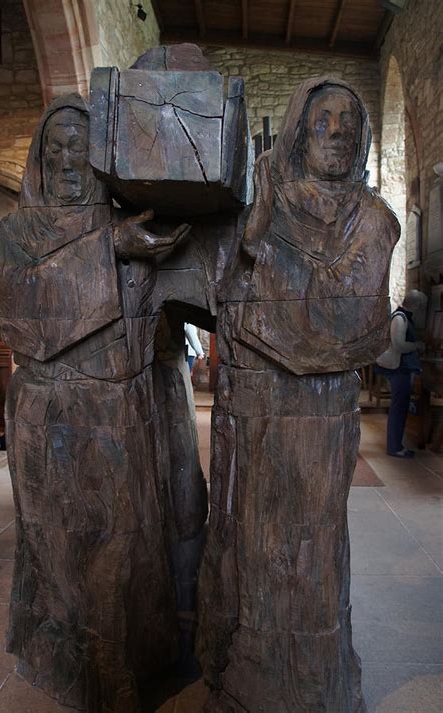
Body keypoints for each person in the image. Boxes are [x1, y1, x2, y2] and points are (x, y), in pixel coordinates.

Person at [196, 78, 399, 713]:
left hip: (320, 414)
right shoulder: (268, 204)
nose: (336, 130)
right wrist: (254, 230)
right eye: (322, 120)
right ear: (298, 132)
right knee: (252, 547)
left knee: (309, 554)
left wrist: (265, 237)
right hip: (256, 408)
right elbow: (225, 296)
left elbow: (347, 317)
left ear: (361, 137)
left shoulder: (372, 220)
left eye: (348, 121)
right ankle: (246, 675)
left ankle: (311, 686)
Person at [0, 94, 192, 713]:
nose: (69, 161)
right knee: (57, 547)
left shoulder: (129, 219)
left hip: (117, 408)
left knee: (123, 543)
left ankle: (123, 657)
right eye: (56, 149)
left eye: (82, 148)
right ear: (40, 159)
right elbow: (27, 314)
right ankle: (73, 662)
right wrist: (111, 248)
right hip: (47, 411)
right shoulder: (19, 231)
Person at [376, 289, 427, 458]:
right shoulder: (400, 317)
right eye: (421, 306)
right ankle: (394, 447)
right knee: (398, 408)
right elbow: (398, 344)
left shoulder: (403, 317)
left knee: (400, 407)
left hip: (402, 368)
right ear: (416, 305)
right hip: (399, 369)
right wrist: (416, 346)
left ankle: (396, 445)